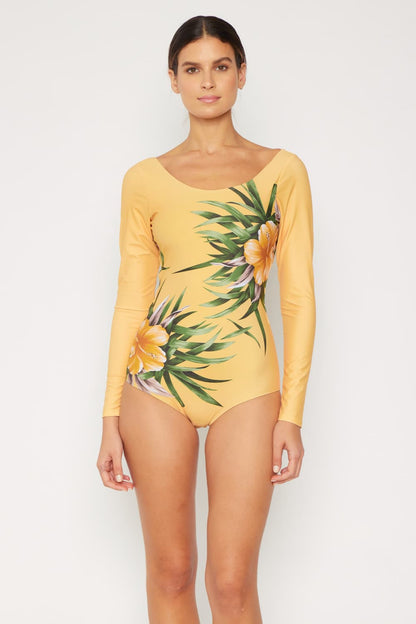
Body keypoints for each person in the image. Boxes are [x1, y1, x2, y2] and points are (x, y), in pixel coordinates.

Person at [96, 14, 316, 623]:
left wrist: (292, 414)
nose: (208, 82)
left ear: (242, 74)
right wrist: (109, 416)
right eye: (192, 70)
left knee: (231, 584)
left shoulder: (283, 172)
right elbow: (130, 300)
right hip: (155, 382)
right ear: (173, 80)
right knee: (170, 573)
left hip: (248, 385)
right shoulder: (143, 180)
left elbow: (298, 299)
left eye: (221, 66)